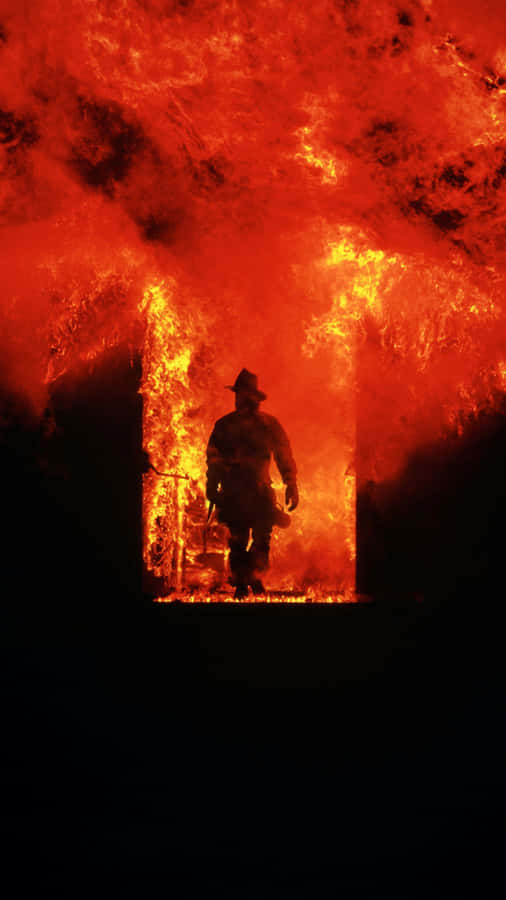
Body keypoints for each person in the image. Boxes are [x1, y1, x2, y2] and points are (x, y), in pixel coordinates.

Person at [206, 369, 299, 599]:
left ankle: (251, 580)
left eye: (242, 394)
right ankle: (245, 582)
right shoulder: (229, 426)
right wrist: (212, 486)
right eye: (238, 394)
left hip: (252, 494)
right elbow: (214, 460)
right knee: (242, 540)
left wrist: (291, 482)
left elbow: (283, 454)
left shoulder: (260, 425)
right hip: (241, 494)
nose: (239, 399)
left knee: (255, 541)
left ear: (251, 397)